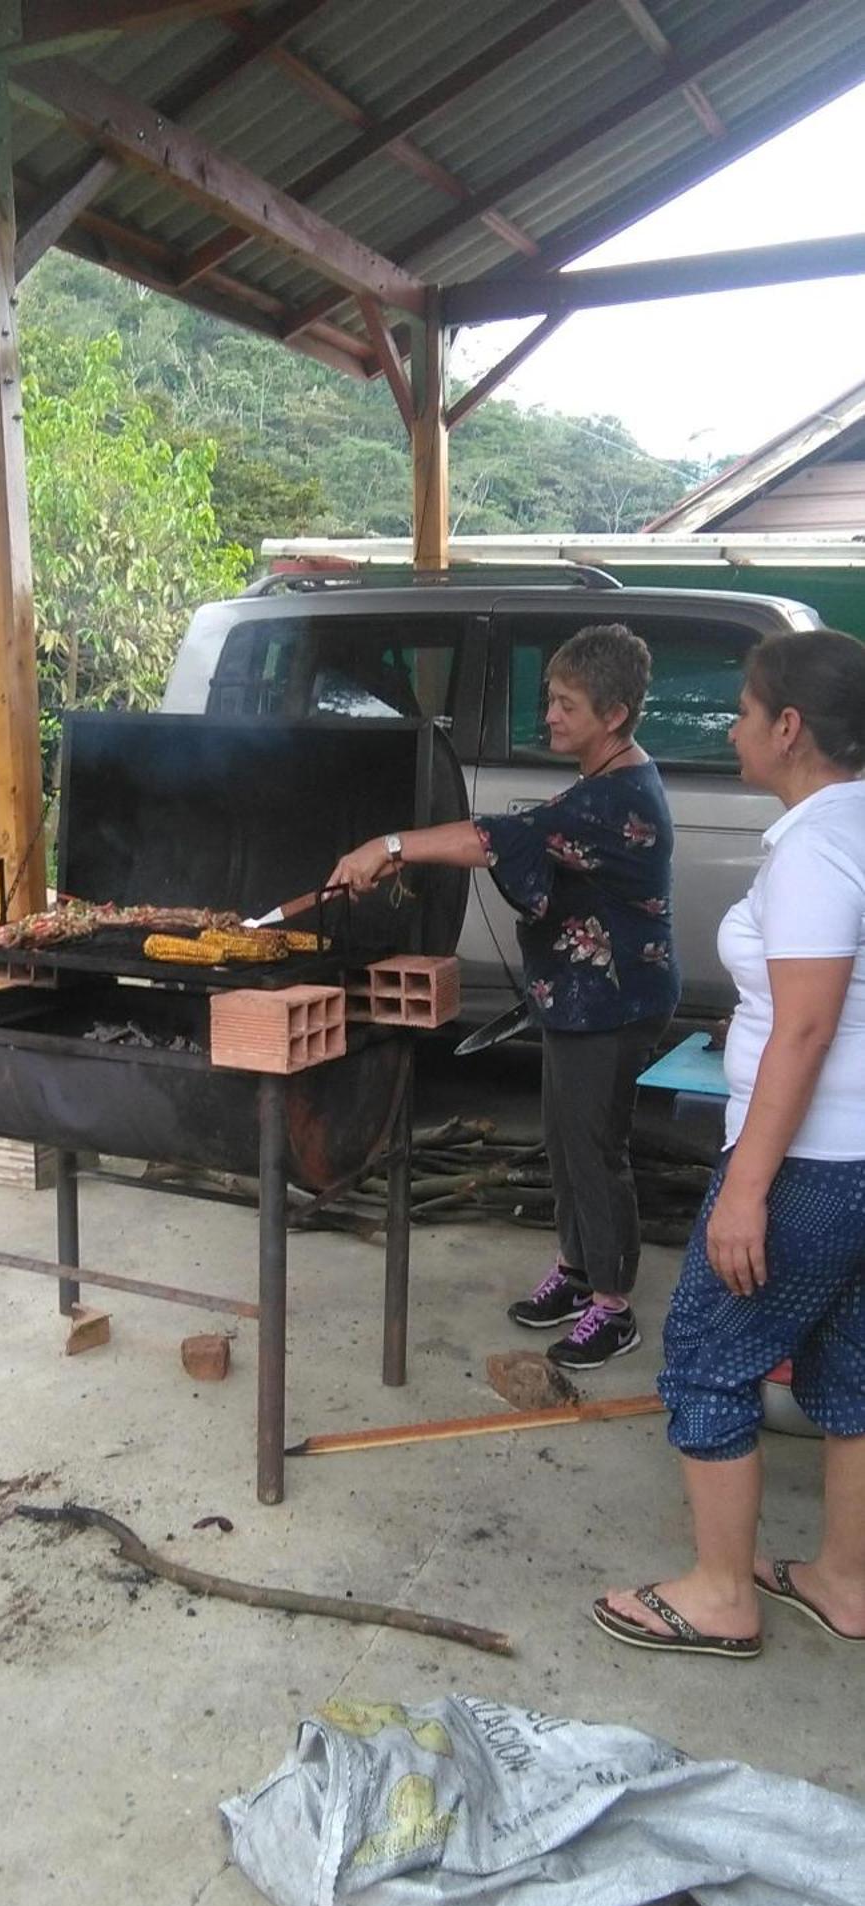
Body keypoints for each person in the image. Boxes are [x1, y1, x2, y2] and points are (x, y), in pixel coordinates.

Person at [595, 628, 865, 1659]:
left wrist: (746, 1185)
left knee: (708, 1353)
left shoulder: (813, 843)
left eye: (744, 710)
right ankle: (843, 1578)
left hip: (809, 1164)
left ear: (788, 728)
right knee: (846, 1364)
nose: (731, 725)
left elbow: (805, 1023)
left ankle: (717, 1593)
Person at [328, 622, 680, 1370]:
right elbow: (526, 843)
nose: (548, 715)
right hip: (578, 997)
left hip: (613, 1004)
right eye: (550, 699)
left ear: (613, 715)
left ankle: (613, 1308)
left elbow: (503, 837)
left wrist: (389, 847)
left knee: (596, 1152)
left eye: (565, 705)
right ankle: (578, 1271)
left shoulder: (620, 798)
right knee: (565, 1141)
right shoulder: (601, 778)